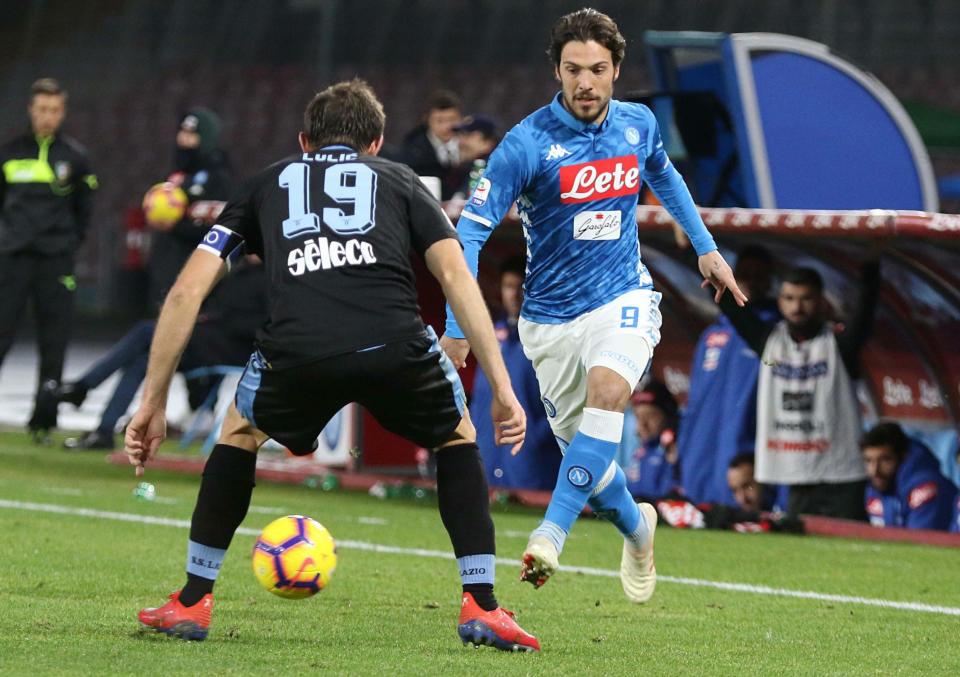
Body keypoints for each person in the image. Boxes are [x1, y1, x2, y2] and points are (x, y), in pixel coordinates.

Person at [127, 79, 539, 652]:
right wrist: (500, 385)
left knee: (240, 431)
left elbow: (184, 296)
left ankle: (193, 601)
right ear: (376, 144)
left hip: (298, 352)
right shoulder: (399, 179)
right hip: (394, 345)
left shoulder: (265, 183)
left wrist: (151, 402)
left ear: (303, 142)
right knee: (456, 436)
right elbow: (455, 277)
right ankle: (482, 605)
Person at [439, 8, 745, 603]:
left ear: (615, 70)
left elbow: (665, 175)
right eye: (574, 69)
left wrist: (706, 249)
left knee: (610, 391)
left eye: (598, 70)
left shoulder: (638, 124)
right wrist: (456, 325)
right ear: (556, 69)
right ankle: (638, 526)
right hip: (549, 324)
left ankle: (550, 535)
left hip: (622, 298)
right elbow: (468, 237)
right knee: (599, 473)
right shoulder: (524, 145)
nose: (586, 82)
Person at [718, 260, 880, 521]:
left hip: (843, 476)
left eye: (805, 298)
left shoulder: (839, 343)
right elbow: (734, 310)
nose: (797, 307)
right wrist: (696, 256)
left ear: (821, 301)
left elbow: (866, 311)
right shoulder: (769, 341)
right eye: (789, 298)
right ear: (779, 301)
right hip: (798, 476)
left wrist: (872, 261)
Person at [56, 257, 267, 450]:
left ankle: (83, 387)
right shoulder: (237, 270)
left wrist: (213, 321)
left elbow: (261, 325)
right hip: (200, 344)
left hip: (227, 350)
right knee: (142, 361)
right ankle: (104, 430)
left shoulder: (270, 278)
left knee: (147, 330)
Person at [0, 77, 98, 441]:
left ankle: (43, 421)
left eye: (54, 110)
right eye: (42, 109)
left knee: (53, 340)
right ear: (31, 110)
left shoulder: (75, 157)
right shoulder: (8, 153)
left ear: (62, 113)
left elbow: (84, 212)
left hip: (55, 262)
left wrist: (67, 245)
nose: (47, 116)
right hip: (12, 259)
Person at [677, 245, 781, 505]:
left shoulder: (773, 334)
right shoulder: (712, 335)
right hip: (700, 458)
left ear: (770, 281)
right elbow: (695, 401)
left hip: (743, 458)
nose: (752, 283)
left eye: (760, 276)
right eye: (745, 275)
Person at [471, 255, 560, 490]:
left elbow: (565, 401)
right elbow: (481, 399)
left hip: (532, 466)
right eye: (508, 286)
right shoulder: (493, 335)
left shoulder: (551, 338)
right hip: (489, 457)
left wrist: (535, 440)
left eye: (521, 286)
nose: (514, 294)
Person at [147, 107, 233, 309]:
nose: (184, 140)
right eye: (183, 133)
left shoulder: (220, 179)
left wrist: (175, 226)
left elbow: (220, 230)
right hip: (169, 272)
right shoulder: (177, 175)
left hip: (198, 278)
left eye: (192, 135)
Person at [861, 422, 959, 531]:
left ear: (903, 456)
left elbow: (921, 543)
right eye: (868, 461)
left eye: (885, 460)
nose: (875, 470)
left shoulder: (926, 488)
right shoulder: (875, 488)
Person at [619, 379, 680, 500]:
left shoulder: (676, 448)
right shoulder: (641, 450)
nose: (643, 425)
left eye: (651, 416)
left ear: (668, 416)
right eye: (638, 417)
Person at [399, 90, 462, 199]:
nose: (446, 127)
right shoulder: (413, 153)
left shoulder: (472, 147)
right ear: (427, 121)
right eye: (439, 121)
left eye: (452, 120)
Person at [451, 114, 500, 201]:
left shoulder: (493, 168)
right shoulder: (466, 168)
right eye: (460, 136)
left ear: (487, 142)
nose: (461, 142)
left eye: (468, 136)